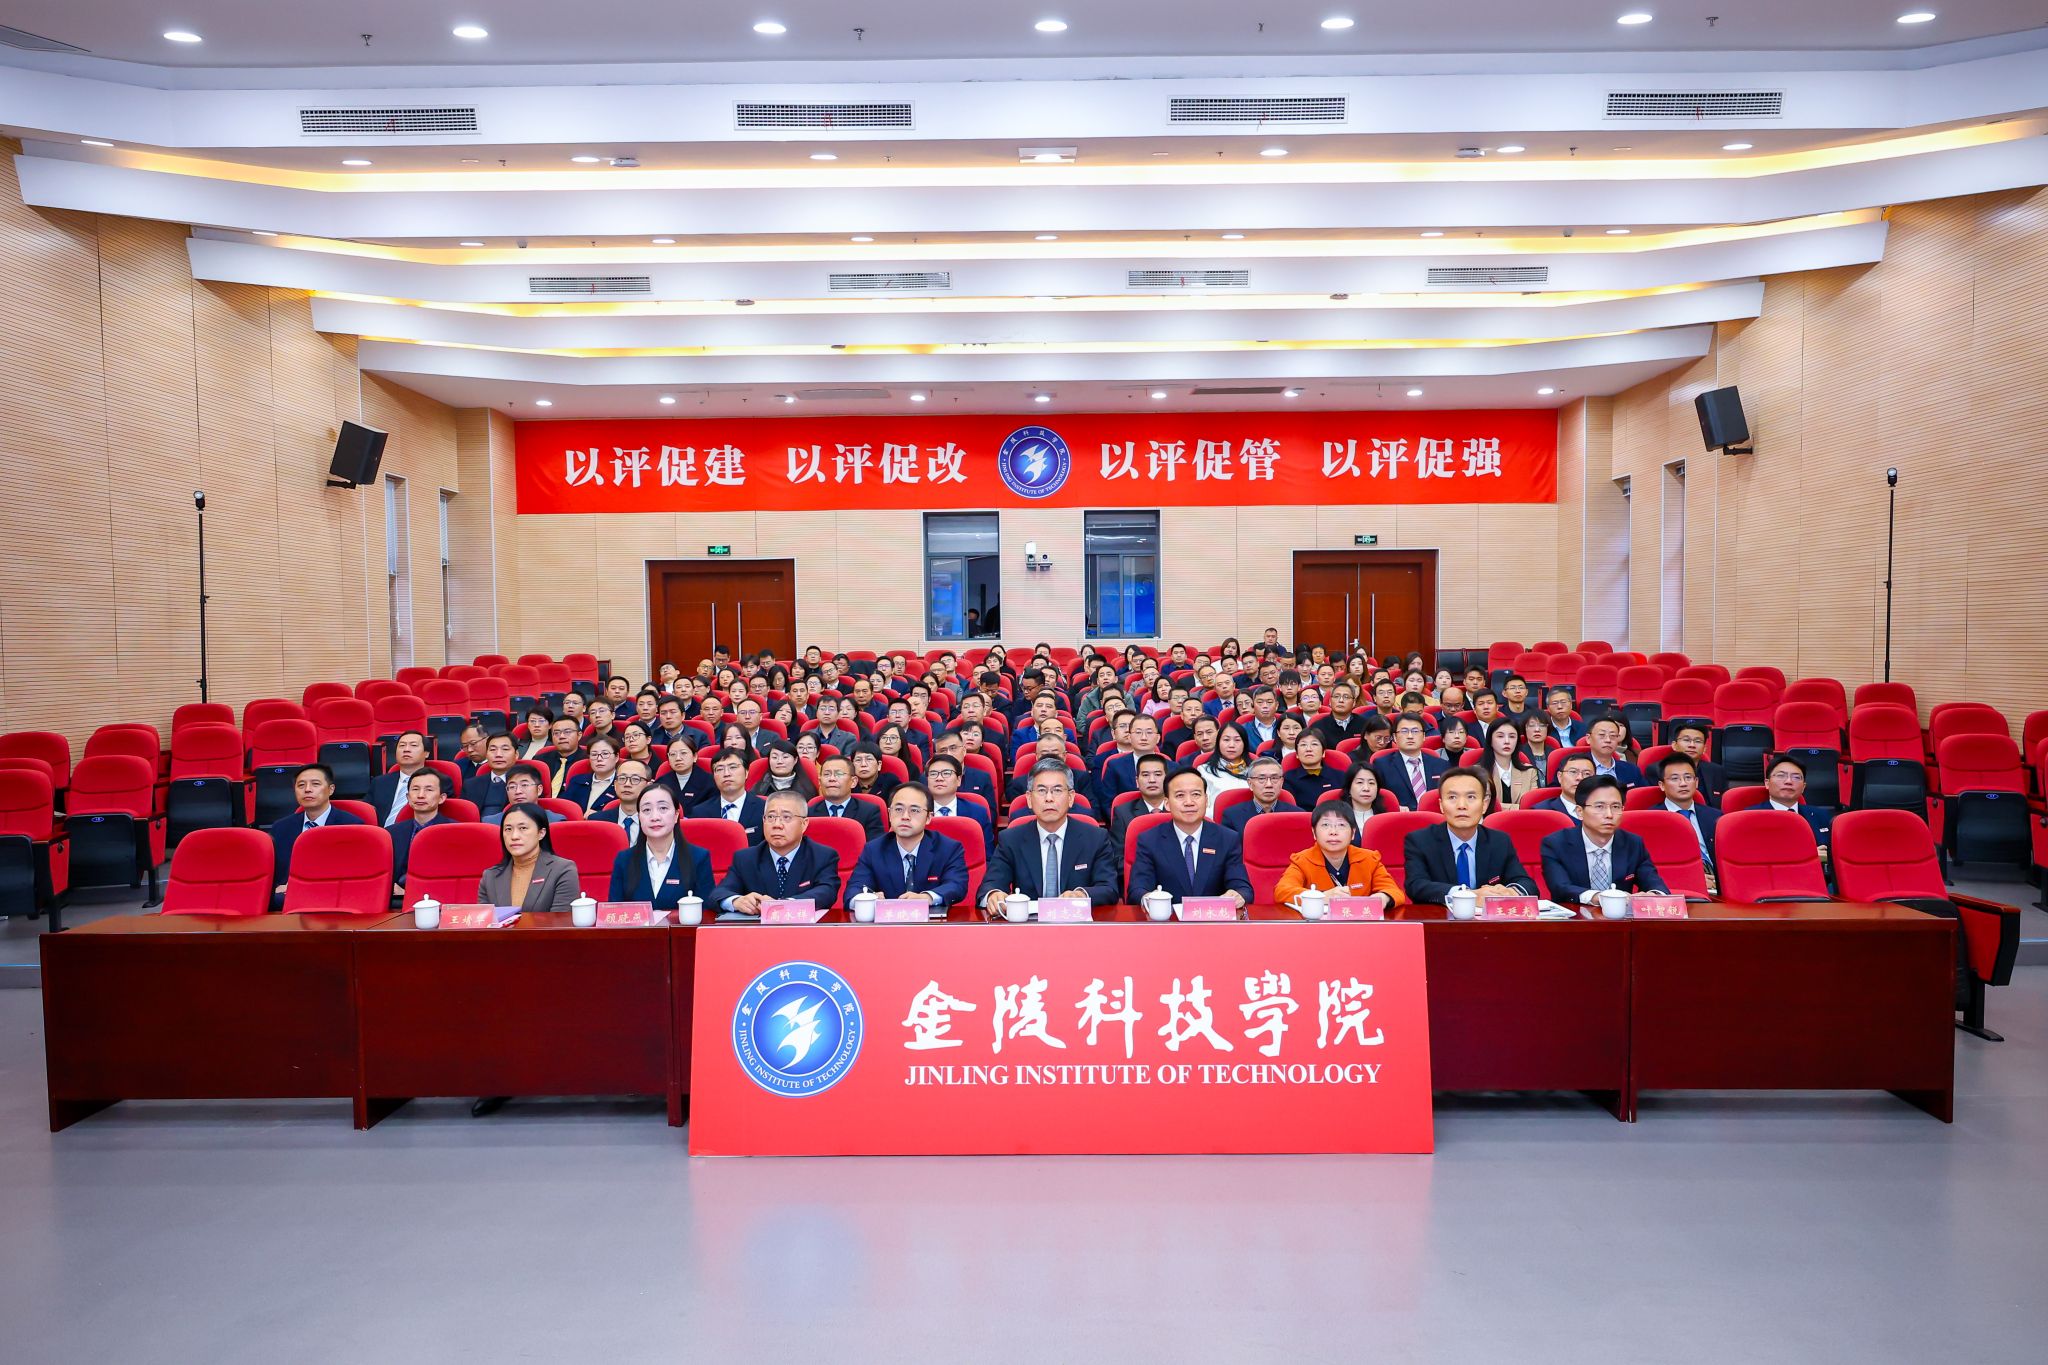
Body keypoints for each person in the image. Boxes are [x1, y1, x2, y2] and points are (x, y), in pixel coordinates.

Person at [978, 760, 1120, 911]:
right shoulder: (1011, 839)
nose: (1049, 798)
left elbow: (1109, 889)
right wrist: (993, 894)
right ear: (1029, 799)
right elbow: (990, 885)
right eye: (1041, 791)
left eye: (1057, 790)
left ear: (1071, 797)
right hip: (1029, 922)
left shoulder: (1095, 838)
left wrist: (1081, 895)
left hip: (1076, 920)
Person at [1403, 769, 1536, 903]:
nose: (1462, 806)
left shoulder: (1499, 841)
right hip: (1441, 914)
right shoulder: (1420, 841)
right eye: (1452, 797)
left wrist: (1511, 892)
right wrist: (1467, 895)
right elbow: (1416, 885)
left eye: (1471, 797)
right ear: (1441, 805)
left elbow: (1526, 883)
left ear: (1484, 805)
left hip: (1487, 915)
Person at [1128, 768, 1254, 908]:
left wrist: (1238, 894)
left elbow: (1242, 887)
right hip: (1168, 919)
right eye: (1180, 795)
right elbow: (1137, 889)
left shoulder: (1227, 838)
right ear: (1167, 804)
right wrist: (1147, 898)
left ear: (1206, 800)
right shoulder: (1149, 840)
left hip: (1212, 918)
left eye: (1196, 794)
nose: (1189, 802)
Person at [1540, 776, 1668, 904]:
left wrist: (1654, 894)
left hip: (1620, 915)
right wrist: (1600, 897)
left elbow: (1654, 882)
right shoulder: (1556, 844)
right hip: (1574, 914)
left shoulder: (1633, 843)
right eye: (1599, 807)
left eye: (1616, 807)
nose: (1609, 815)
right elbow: (1560, 887)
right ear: (1579, 812)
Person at [713, 789, 843, 915]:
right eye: (771, 817)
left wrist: (784, 905)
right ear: (763, 821)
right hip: (759, 928)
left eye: (786, 817)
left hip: (802, 927)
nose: (777, 825)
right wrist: (736, 901)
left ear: (804, 824)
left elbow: (827, 892)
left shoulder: (822, 856)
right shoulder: (746, 858)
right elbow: (719, 893)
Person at [846, 782, 971, 909]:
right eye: (898, 809)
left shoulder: (948, 848)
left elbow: (956, 885)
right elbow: (854, 890)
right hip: (888, 919)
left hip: (931, 920)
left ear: (929, 817)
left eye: (914, 810)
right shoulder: (873, 850)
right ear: (889, 814)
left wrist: (927, 897)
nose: (905, 816)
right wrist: (866, 899)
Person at [1275, 799, 1408, 914]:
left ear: (1353, 833)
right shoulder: (1302, 860)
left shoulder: (1369, 859)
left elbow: (1395, 892)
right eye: (1325, 825)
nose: (1333, 832)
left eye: (1341, 825)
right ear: (1314, 833)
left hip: (1360, 926)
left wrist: (1382, 898)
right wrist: (1321, 897)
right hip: (1317, 928)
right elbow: (1282, 891)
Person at [606, 781, 716, 909]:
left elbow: (707, 912)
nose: (655, 817)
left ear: (676, 815)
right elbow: (614, 912)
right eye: (647, 810)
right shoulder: (624, 860)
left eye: (663, 808)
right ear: (639, 817)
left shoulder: (698, 857)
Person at [269, 762, 366, 904]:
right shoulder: (281, 828)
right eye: (301, 785)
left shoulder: (352, 826)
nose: (307, 790)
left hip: (334, 897)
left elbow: (356, 874)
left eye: (315, 784)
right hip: (287, 899)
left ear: (331, 789)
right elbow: (274, 873)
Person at [477, 802, 581, 914]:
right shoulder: (490, 876)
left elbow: (559, 921)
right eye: (508, 829)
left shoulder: (563, 870)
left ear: (541, 833)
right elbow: (484, 921)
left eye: (523, 828)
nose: (514, 836)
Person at [1655, 752, 1720, 889]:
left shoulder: (1716, 817)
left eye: (1688, 777)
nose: (1683, 783)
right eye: (1675, 779)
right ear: (1662, 785)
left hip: (1718, 886)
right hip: (1676, 887)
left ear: (1696, 782)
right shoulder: (1651, 820)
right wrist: (1692, 878)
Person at [387, 768, 453, 895]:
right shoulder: (391, 834)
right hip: (397, 900)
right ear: (408, 797)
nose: (421, 795)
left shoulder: (457, 832)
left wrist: (410, 894)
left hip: (440, 899)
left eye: (429, 790)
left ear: (441, 798)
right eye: (415, 789)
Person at [1371, 715, 1450, 811]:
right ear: (1395, 737)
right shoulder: (1382, 765)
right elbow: (1376, 798)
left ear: (1424, 736)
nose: (1410, 736)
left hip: (1434, 817)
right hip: (1400, 818)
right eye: (1404, 731)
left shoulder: (1441, 765)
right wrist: (1394, 808)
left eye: (1415, 731)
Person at [1763, 756, 1833, 859]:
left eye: (1796, 777)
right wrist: (1806, 855)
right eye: (1781, 776)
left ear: (1803, 787)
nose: (1788, 781)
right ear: (1767, 783)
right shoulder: (1751, 817)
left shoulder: (1821, 815)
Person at [924, 754, 994, 851]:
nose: (939, 778)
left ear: (958, 780)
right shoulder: (918, 812)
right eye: (933, 774)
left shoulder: (977, 813)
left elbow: (987, 854)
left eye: (946, 773)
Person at [692, 750, 766, 843]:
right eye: (719, 769)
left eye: (733, 767)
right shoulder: (700, 813)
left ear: (746, 772)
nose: (726, 774)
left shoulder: (764, 808)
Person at [1110, 752, 1173, 855]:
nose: (1152, 780)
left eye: (1157, 774)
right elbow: (1118, 856)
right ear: (1137, 782)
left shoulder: (1179, 809)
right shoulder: (1123, 813)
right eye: (1145, 775)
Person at [369, 730, 433, 826]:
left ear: (426, 753)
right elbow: (366, 812)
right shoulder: (379, 782)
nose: (406, 749)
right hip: (381, 832)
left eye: (413, 745)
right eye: (402, 745)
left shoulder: (437, 782)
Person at [811, 754, 884, 837]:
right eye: (827, 774)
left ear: (853, 782)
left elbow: (875, 844)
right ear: (819, 781)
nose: (832, 779)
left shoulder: (869, 812)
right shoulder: (809, 813)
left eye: (839, 774)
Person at [1219, 756, 1295, 834]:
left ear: (1281, 782)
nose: (1269, 784)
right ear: (1250, 784)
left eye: (1274, 778)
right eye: (1261, 778)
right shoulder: (1232, 815)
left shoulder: (1296, 814)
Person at [1100, 713, 1163, 804]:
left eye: (1149, 732)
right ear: (1129, 737)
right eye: (1138, 732)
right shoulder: (1115, 766)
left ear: (1158, 738)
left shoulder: (1172, 767)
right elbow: (1108, 803)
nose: (1144, 738)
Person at [1660, 722, 1728, 805]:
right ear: (1674, 745)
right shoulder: (1657, 770)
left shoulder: (1717, 771)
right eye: (1686, 740)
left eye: (1698, 741)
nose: (1692, 745)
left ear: (1704, 748)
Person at [1197, 719, 1253, 814]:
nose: (1231, 745)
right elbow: (1203, 808)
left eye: (1237, 740)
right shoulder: (1204, 771)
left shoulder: (1255, 770)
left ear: (1245, 744)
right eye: (1226, 740)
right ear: (1218, 742)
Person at [1482, 718, 1540, 810]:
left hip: (1523, 818)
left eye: (1512, 737)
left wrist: (1499, 807)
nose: (1507, 741)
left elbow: (1532, 806)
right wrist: (1519, 808)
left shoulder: (1530, 772)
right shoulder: (1477, 773)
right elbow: (1483, 805)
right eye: (1500, 736)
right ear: (1490, 740)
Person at [484, 765, 567, 825]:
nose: (518, 791)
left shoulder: (555, 821)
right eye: (512, 786)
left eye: (524, 785)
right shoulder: (491, 823)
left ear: (539, 790)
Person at [462, 732, 521, 816]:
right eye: (493, 750)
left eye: (505, 749)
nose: (498, 755)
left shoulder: (525, 784)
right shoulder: (470, 785)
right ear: (486, 755)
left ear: (516, 754)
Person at [562, 734, 621, 813]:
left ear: (616, 757)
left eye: (605, 754)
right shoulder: (577, 781)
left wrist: (599, 815)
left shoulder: (623, 784)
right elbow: (563, 809)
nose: (599, 759)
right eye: (594, 754)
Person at [1282, 729, 1341, 808]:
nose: (1308, 749)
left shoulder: (1340, 777)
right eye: (1303, 745)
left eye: (1314, 744)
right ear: (1297, 754)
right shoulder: (1288, 779)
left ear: (1323, 752)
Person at [1584, 715, 1645, 788]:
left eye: (1613, 735)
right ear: (1588, 738)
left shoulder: (1631, 770)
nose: (1608, 740)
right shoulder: (1577, 768)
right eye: (1602, 735)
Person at [751, 738, 817, 801]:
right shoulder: (759, 788)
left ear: (795, 760)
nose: (780, 761)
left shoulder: (807, 790)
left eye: (785, 757)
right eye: (774, 757)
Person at [1536, 753, 1596, 822]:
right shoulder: (1541, 812)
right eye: (1573, 772)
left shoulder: (1604, 811)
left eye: (1587, 773)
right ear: (1559, 777)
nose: (1580, 778)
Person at [1309, 682, 1369, 748]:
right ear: (1330, 702)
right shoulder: (1318, 727)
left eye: (1346, 697)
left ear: (1354, 702)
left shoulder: (1365, 725)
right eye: (1336, 696)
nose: (1341, 700)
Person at [1342, 764, 1384, 840]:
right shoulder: (1339, 818)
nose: (1366, 788)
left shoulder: (1385, 819)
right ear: (1349, 788)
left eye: (1371, 783)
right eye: (1360, 782)